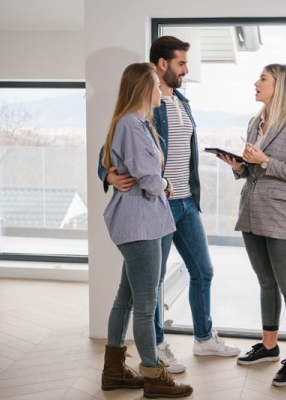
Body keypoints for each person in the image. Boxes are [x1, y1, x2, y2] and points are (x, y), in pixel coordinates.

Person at [98, 36, 240, 374]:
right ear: (162, 64)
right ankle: (157, 348)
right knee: (152, 283)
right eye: (181, 63)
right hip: (154, 206)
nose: (186, 70)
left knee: (202, 270)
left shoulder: (182, 102)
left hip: (185, 203)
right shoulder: (142, 110)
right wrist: (109, 175)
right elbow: (108, 154)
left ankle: (204, 338)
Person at [100, 62, 193, 398]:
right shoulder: (132, 125)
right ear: (143, 88)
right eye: (156, 84)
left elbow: (141, 173)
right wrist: (165, 181)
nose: (161, 90)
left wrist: (156, 180)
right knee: (145, 303)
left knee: (126, 297)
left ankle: (113, 371)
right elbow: (149, 178)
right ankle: (154, 377)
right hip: (140, 225)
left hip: (139, 223)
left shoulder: (135, 123)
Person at [218, 64, 286, 387]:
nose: (255, 83)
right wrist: (239, 167)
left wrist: (264, 161)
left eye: (263, 79)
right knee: (265, 283)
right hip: (252, 213)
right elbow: (252, 171)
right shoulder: (254, 122)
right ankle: (270, 347)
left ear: (280, 85)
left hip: (281, 217)